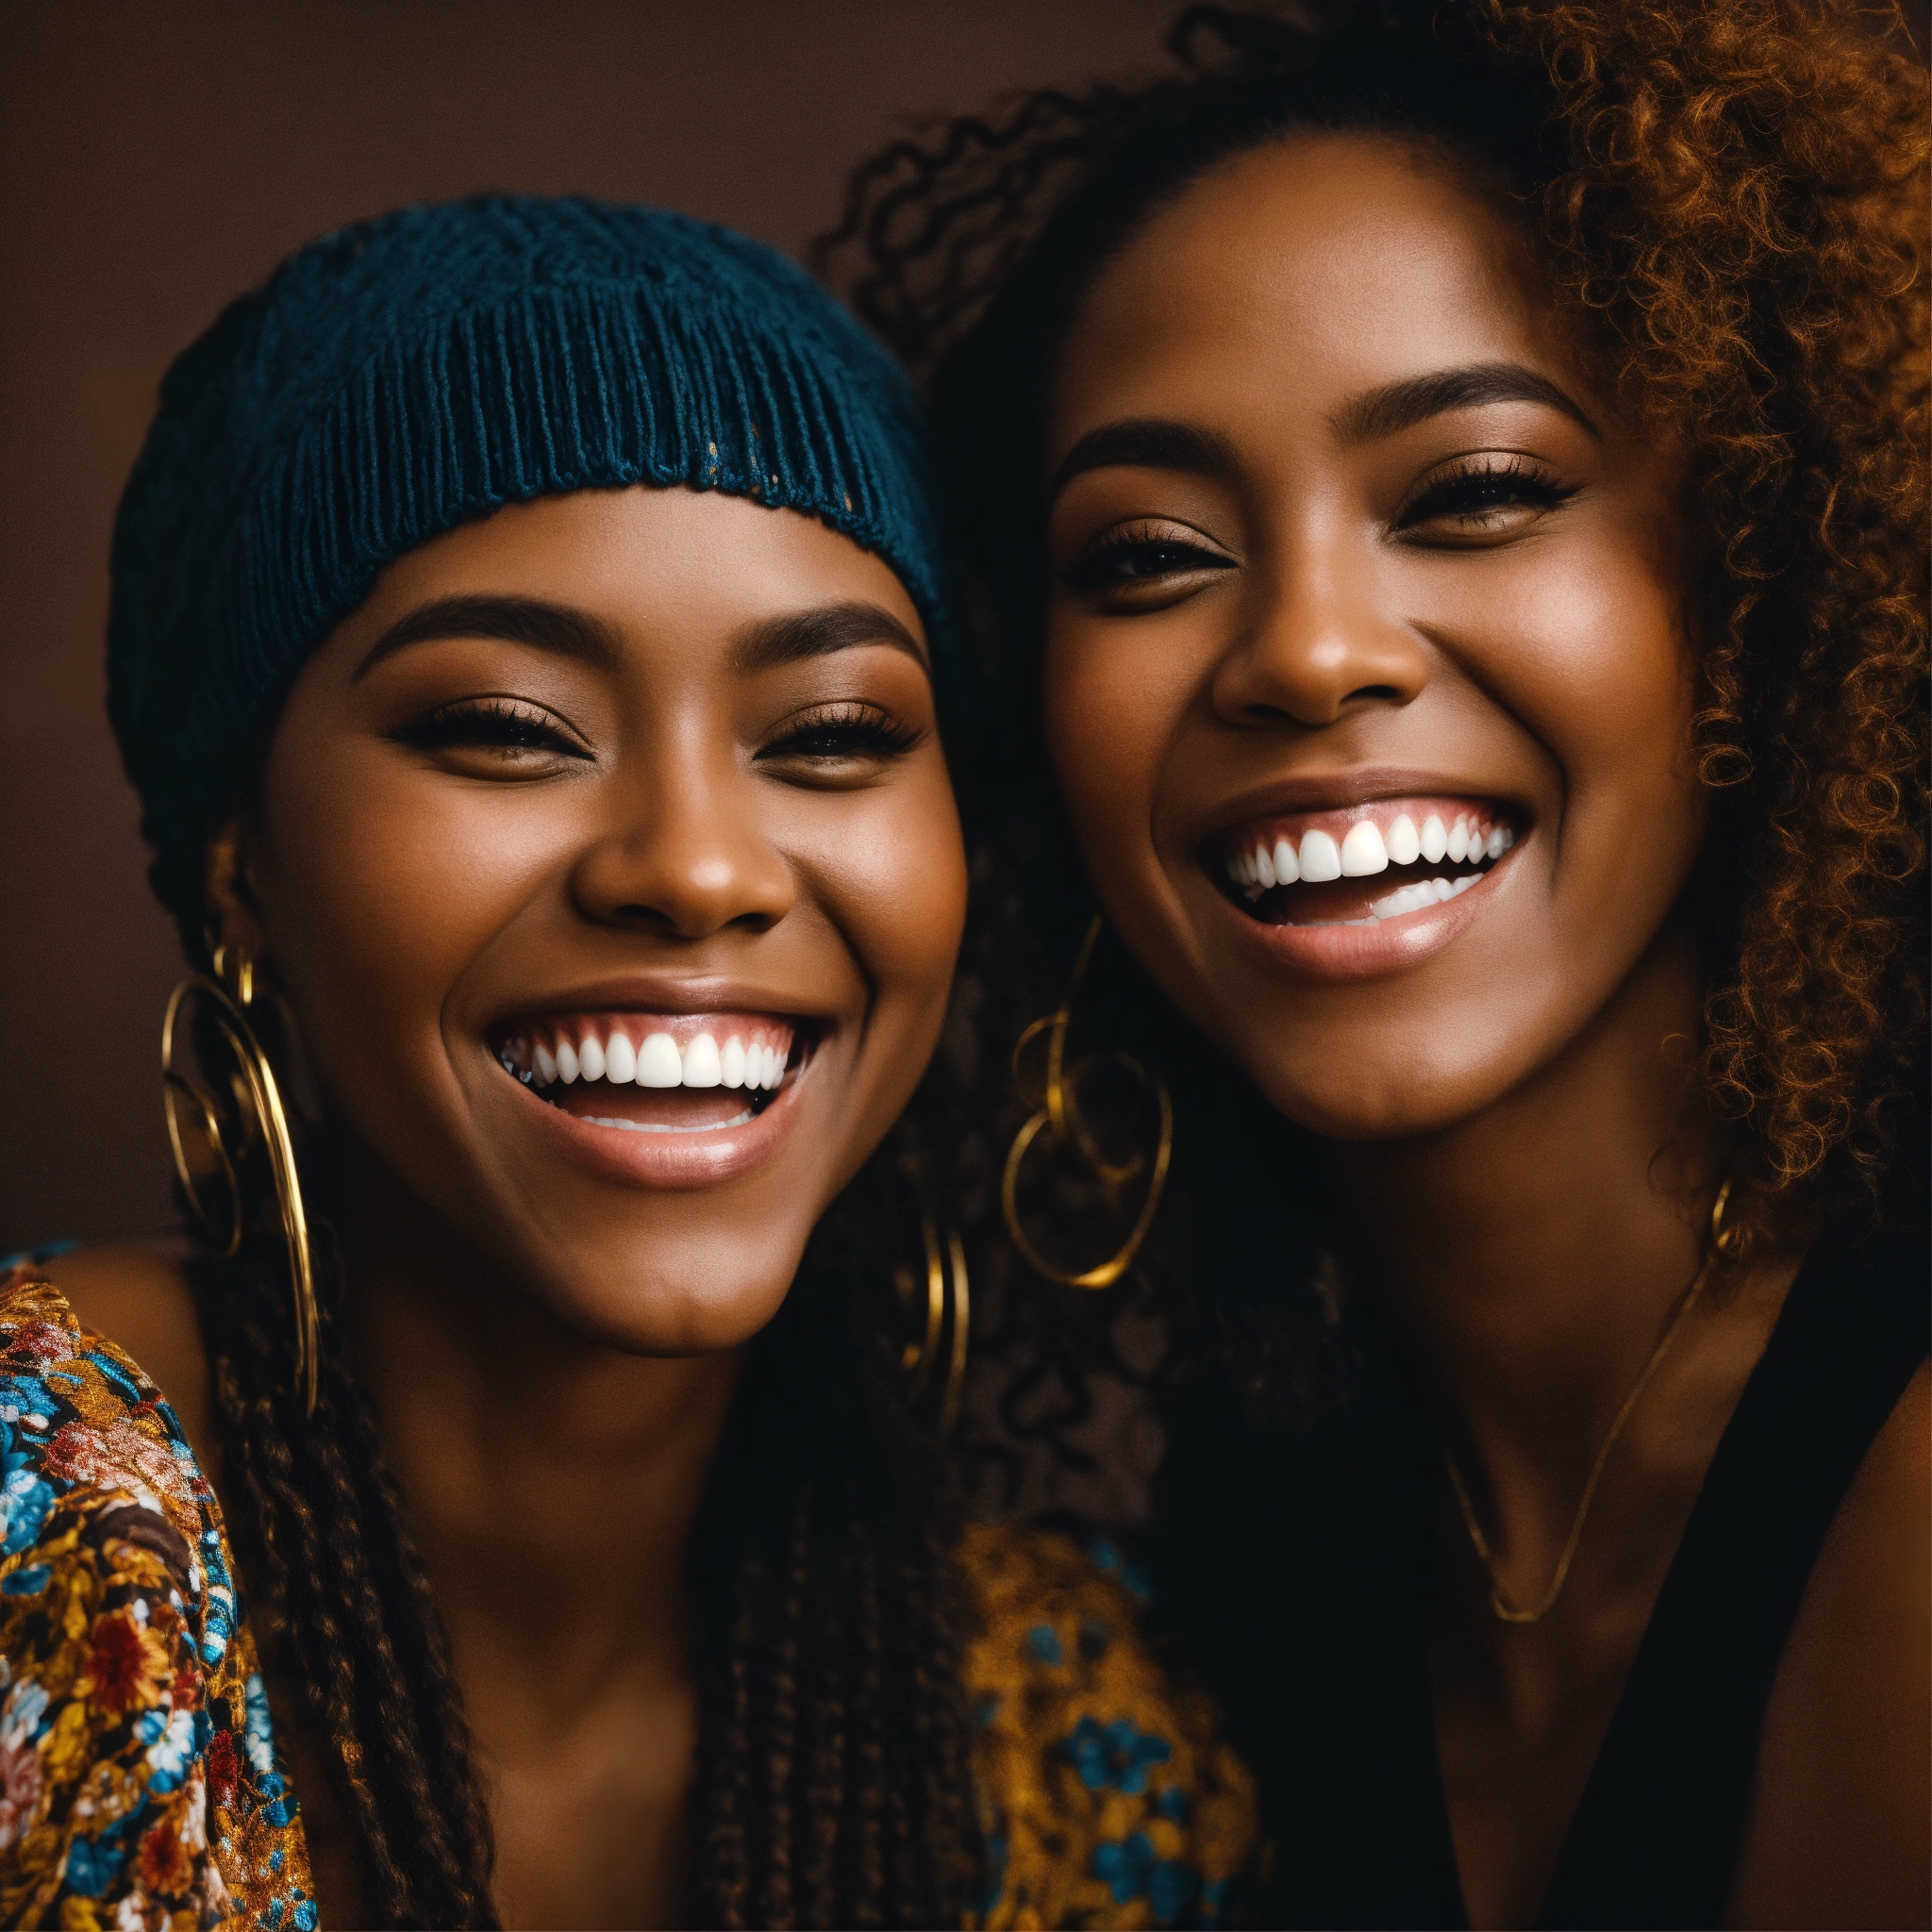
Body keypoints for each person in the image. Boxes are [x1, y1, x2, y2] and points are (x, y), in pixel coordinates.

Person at [0, 198, 1255, 1929]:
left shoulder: (1075, 1746)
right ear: (240, 860)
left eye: (833, 737)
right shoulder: (31, 1542)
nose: (697, 865)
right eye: (508, 730)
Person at [825, 3, 1929, 1925]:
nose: (1305, 650)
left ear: (1759, 576)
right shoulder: (1255, 1555)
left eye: (1475, 493)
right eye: (1150, 555)